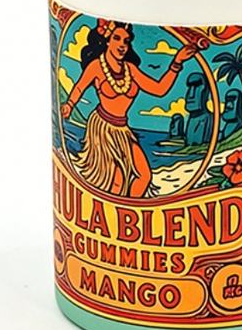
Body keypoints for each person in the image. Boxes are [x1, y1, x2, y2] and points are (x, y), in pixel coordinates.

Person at [61, 19, 195, 197]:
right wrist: (69, 105)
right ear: (107, 41)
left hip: (123, 130)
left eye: (126, 41)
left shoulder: (130, 70)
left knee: (144, 176)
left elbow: (159, 89)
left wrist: (176, 62)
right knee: (116, 180)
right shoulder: (96, 66)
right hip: (102, 129)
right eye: (117, 38)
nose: (122, 45)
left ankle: (131, 211)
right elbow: (79, 87)